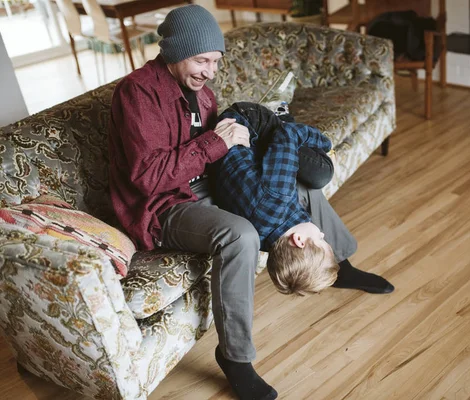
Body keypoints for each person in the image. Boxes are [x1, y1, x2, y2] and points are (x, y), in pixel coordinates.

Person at [107, 5, 390, 400]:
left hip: (206, 184)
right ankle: (235, 357)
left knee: (302, 185)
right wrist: (217, 141)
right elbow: (146, 177)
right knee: (241, 234)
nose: (209, 71)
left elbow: (221, 149)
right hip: (164, 204)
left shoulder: (201, 92)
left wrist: (253, 140)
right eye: (200, 59)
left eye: (215, 62)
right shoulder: (137, 92)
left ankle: (338, 264)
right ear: (172, 51)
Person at [210, 102, 395, 296]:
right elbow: (287, 134)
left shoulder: (277, 196)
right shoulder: (265, 241)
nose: (324, 234)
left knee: (322, 172)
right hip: (241, 148)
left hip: (246, 119)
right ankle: (282, 116)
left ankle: (279, 115)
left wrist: (326, 146)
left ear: (297, 240)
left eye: (322, 240)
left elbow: (288, 134)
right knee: (318, 174)